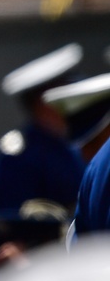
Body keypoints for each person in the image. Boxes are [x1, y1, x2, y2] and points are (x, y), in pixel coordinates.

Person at [0, 44, 86, 219]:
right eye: (63, 92)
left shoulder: (75, 140)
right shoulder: (19, 155)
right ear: (43, 101)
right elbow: (14, 219)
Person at [42, 72, 110, 239]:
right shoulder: (95, 176)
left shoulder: (95, 172)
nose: (86, 154)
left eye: (94, 141)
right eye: (81, 146)